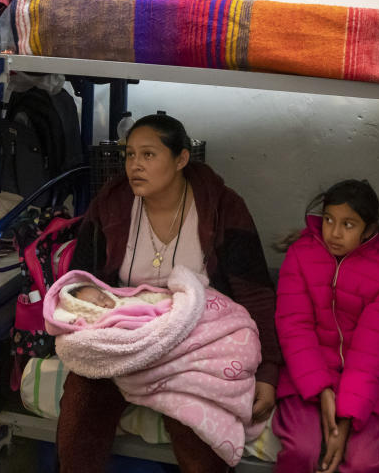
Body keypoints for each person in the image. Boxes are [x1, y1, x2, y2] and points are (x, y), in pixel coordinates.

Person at [56, 113, 281, 473]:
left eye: (148, 155)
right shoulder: (112, 204)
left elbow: (254, 293)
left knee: (198, 426)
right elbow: (81, 277)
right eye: (129, 154)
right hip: (127, 335)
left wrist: (268, 372)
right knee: (81, 404)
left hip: (195, 342)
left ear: (181, 159)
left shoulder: (222, 207)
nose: (135, 166)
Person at [273, 180, 379, 473]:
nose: (334, 232)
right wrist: (321, 390)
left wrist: (346, 421)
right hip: (305, 376)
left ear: (369, 229)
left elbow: (372, 355)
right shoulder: (300, 256)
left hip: (365, 387)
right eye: (329, 220)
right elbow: (295, 328)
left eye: (348, 224)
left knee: (363, 462)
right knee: (301, 450)